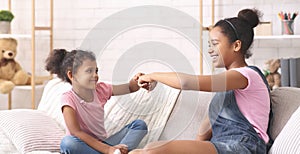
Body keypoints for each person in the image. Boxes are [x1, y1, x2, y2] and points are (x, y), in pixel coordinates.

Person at [130, 8, 271, 154]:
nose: (210, 50)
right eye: (210, 45)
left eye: (215, 44)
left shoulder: (246, 75)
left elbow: (186, 83)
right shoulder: (227, 88)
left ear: (236, 45)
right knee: (141, 151)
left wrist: (152, 75)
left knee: (152, 150)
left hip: (244, 147)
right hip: (223, 145)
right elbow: (205, 129)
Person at [45, 49, 148, 154]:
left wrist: (136, 81)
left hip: (103, 144)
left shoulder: (101, 89)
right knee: (67, 142)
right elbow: (76, 132)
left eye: (96, 71)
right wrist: (108, 150)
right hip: (83, 146)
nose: (95, 75)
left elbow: (129, 88)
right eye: (89, 71)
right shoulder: (68, 98)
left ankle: (118, 152)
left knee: (139, 125)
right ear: (72, 75)